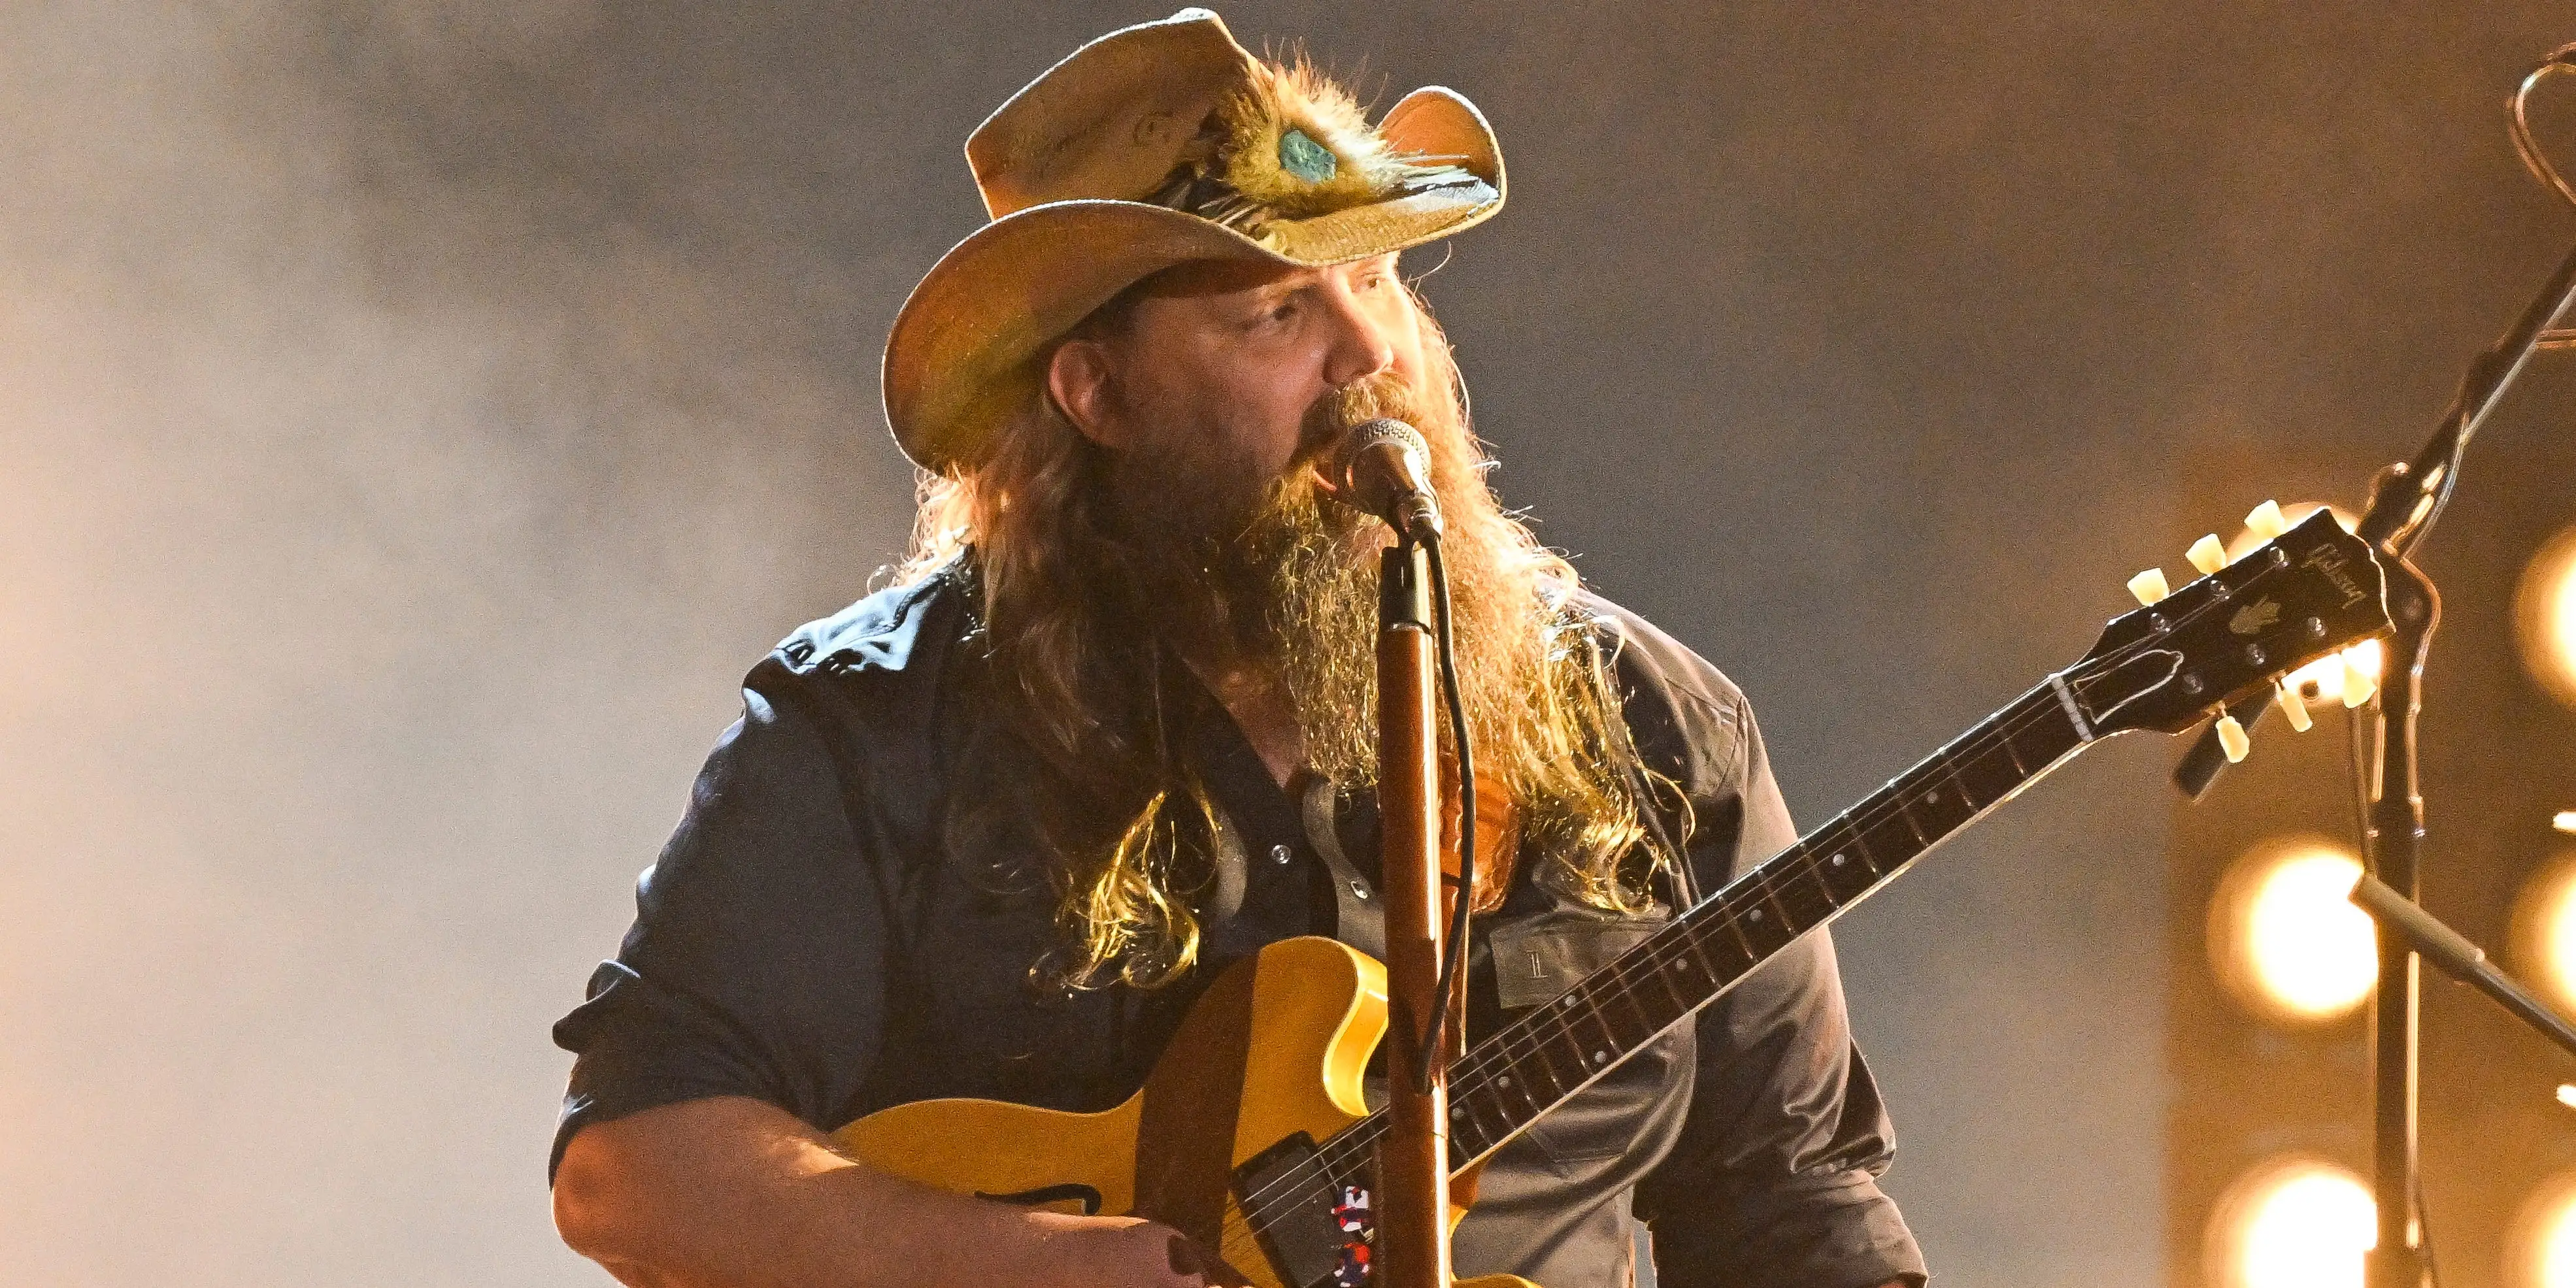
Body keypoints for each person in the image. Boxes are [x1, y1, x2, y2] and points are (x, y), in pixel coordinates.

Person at [546, 11, 1928, 1288]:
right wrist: (1037, 1266)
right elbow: (633, 1166)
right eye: (1276, 313)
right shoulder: (878, 724)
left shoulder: (1652, 725)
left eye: (1376, 278)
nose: (1368, 354)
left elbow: (1789, 1194)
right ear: (1098, 392)